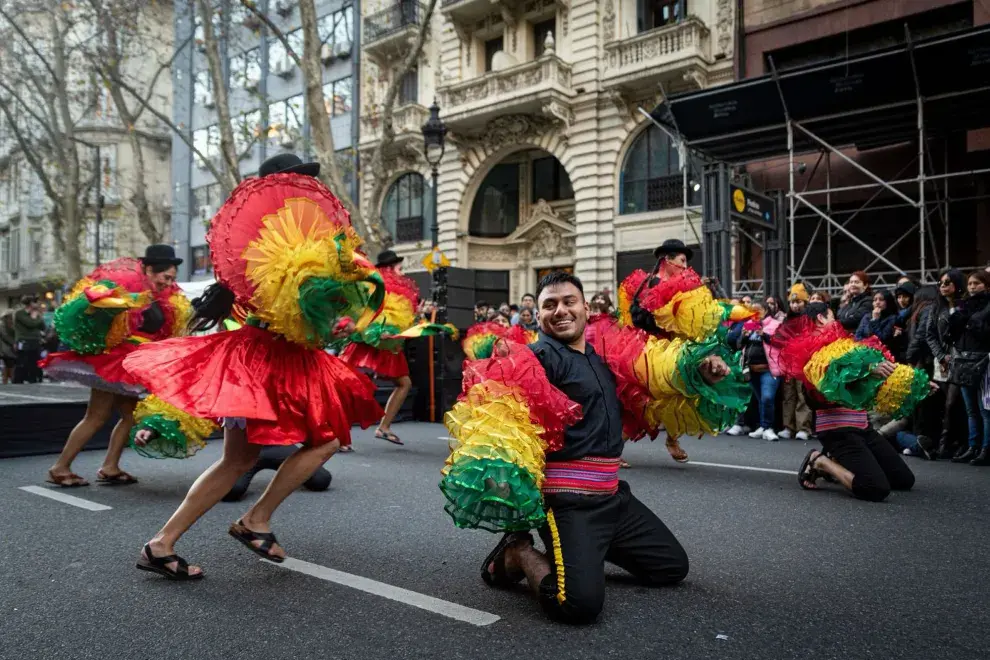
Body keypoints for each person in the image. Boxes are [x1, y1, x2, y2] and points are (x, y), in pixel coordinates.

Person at [123, 154, 386, 580]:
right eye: (302, 181)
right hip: (270, 359)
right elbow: (297, 301)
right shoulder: (283, 244)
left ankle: (164, 543)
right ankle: (252, 520)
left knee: (239, 461)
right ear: (284, 186)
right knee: (324, 440)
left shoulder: (266, 241)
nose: (310, 190)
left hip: (267, 356)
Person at [442, 271, 739, 624]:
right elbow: (501, 421)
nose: (560, 311)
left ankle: (589, 551)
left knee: (671, 567)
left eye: (569, 302)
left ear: (586, 307)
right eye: (549, 305)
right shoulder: (536, 359)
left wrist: (700, 370)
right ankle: (517, 552)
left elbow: (655, 375)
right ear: (538, 315)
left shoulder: (604, 356)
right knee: (577, 605)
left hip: (613, 499)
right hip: (569, 504)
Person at [38, 246, 190, 487]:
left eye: (172, 278)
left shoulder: (159, 297)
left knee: (130, 416)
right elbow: (100, 310)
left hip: (133, 365)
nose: (169, 283)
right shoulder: (128, 287)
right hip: (116, 363)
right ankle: (60, 467)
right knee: (97, 416)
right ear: (149, 269)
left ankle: (110, 466)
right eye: (166, 276)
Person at [773, 303, 931, 501]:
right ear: (821, 318)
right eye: (833, 316)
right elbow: (831, 379)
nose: (836, 321)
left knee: (903, 480)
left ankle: (836, 460)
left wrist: (918, 383)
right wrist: (867, 370)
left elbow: (881, 368)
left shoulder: (843, 344)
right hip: (838, 430)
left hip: (862, 427)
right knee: (875, 488)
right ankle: (820, 461)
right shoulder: (813, 352)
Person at [618, 238, 745, 462]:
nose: (685, 266)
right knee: (646, 403)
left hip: (676, 350)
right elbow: (646, 317)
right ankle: (614, 449)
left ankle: (672, 439)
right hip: (652, 354)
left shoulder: (682, 287)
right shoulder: (651, 283)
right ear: (667, 260)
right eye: (682, 260)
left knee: (682, 395)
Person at [339, 249, 454, 446]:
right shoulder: (379, 285)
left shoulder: (393, 287)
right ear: (390, 268)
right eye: (399, 268)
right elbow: (370, 313)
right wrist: (378, 332)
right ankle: (339, 433)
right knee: (353, 385)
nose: (402, 272)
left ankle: (382, 427)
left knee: (403, 383)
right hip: (371, 343)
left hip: (387, 345)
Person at [946, 271, 990, 465]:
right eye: (970, 283)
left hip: (984, 361)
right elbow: (952, 335)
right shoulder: (963, 306)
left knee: (985, 410)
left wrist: (971, 323)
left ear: (986, 285)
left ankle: (986, 449)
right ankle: (973, 447)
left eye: (977, 283)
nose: (972, 287)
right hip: (964, 360)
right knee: (971, 409)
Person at [926, 268, 966, 458]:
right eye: (940, 283)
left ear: (957, 284)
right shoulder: (936, 307)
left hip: (961, 360)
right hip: (941, 361)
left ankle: (946, 443)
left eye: (947, 283)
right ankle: (952, 442)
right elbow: (930, 335)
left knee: (953, 403)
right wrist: (941, 356)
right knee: (946, 404)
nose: (943, 286)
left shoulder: (965, 305)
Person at [778, 284, 812, 441]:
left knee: (802, 394)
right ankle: (788, 426)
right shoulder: (787, 319)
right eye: (792, 302)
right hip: (789, 361)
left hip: (804, 361)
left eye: (798, 302)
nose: (795, 305)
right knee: (789, 394)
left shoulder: (810, 318)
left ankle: (803, 427)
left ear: (805, 302)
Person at [744, 301, 781, 441]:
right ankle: (763, 426)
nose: (755, 313)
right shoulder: (749, 324)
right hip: (751, 369)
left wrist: (763, 334)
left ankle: (768, 427)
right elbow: (739, 344)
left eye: (758, 310)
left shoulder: (775, 324)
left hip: (769, 369)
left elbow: (780, 342)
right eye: (752, 310)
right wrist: (744, 336)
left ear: (765, 310)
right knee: (760, 399)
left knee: (767, 397)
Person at [13, 295, 46, 383]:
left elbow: (43, 327)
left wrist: (39, 316)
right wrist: (35, 317)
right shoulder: (20, 313)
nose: (38, 304)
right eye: (36, 302)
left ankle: (33, 378)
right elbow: (30, 324)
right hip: (24, 340)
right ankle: (18, 380)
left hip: (35, 340)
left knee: (34, 361)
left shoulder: (36, 313)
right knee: (23, 360)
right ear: (31, 303)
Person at [0, 312, 16, 384]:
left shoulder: (11, 325)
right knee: (6, 364)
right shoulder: (2, 325)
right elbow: (5, 336)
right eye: (10, 318)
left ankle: (9, 379)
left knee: (10, 364)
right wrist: (13, 343)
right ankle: (5, 380)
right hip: (4, 348)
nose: (11, 319)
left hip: (9, 349)